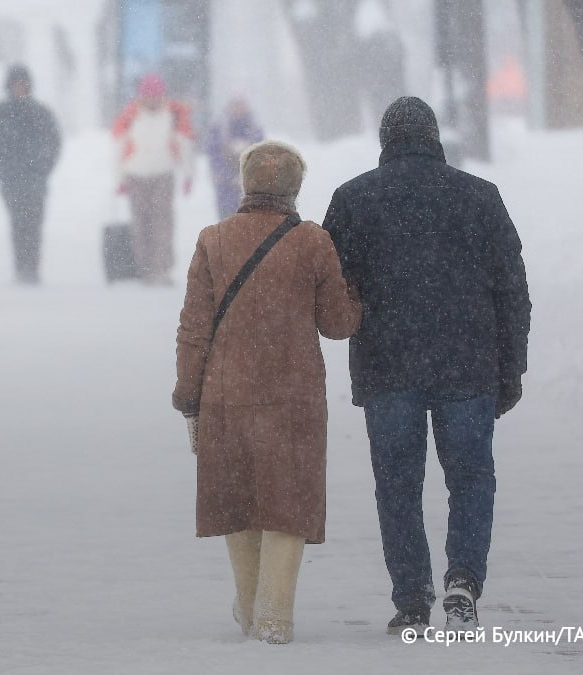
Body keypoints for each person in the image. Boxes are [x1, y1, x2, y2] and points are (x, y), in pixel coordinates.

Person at [321, 96, 531, 635]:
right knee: (470, 477)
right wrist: (511, 370)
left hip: (388, 365)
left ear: (385, 140)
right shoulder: (481, 198)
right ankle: (463, 580)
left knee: (396, 483)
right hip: (468, 364)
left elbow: (328, 289)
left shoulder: (353, 200)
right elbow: (512, 292)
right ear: (435, 137)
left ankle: (413, 597)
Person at [174, 141, 361, 644]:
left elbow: (194, 329)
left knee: (239, 499)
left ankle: (249, 603)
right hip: (292, 396)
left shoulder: (213, 240)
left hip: (226, 393)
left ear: (245, 183)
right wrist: (359, 294)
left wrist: (188, 396)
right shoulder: (313, 242)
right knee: (287, 500)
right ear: (295, 188)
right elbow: (338, 324)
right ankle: (275, 613)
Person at [112, 73, 195, 284]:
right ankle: (145, 268)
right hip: (135, 175)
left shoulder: (173, 114)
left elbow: (185, 145)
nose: (152, 99)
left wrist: (188, 175)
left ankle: (162, 268)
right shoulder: (130, 115)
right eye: (148, 94)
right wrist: (119, 179)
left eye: (155, 94)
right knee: (140, 223)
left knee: (162, 222)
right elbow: (119, 148)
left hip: (163, 174)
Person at [0, 65, 61, 285]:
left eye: (22, 84)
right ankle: (21, 266)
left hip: (35, 179)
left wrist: (43, 167)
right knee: (17, 223)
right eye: (16, 84)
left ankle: (32, 267)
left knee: (34, 223)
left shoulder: (41, 113)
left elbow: (54, 143)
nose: (19, 88)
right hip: (11, 180)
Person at [205, 98, 264, 218]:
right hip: (224, 187)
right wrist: (226, 176)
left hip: (249, 187)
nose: (237, 109)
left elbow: (261, 156)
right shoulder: (218, 129)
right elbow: (213, 154)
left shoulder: (255, 130)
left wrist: (245, 177)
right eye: (234, 105)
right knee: (227, 220)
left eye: (240, 105)